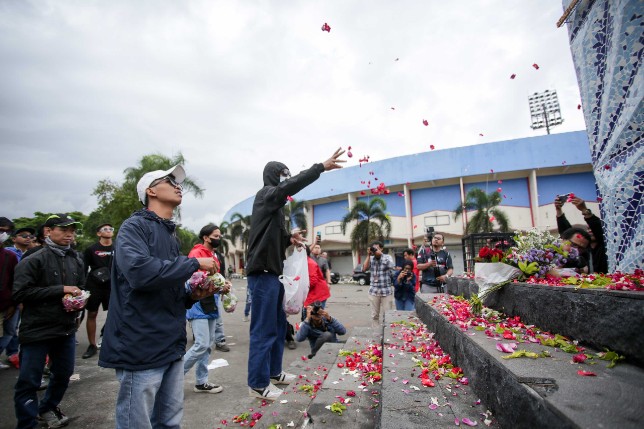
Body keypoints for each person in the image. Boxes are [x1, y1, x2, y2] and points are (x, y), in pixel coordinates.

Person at [98, 165, 217, 429]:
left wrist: (192, 296)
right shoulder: (134, 227)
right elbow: (140, 273)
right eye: (169, 180)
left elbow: (166, 284)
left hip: (170, 343)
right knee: (136, 423)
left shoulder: (169, 233)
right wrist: (193, 264)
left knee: (169, 421)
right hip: (140, 344)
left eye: (178, 182)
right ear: (150, 191)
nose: (178, 185)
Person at [245, 148, 345, 401]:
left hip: (275, 273)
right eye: (282, 175)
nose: (284, 180)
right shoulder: (266, 195)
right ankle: (257, 383)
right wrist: (319, 167)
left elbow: (275, 239)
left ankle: (275, 372)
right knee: (263, 330)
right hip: (263, 273)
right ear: (273, 176)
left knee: (279, 327)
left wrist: (290, 238)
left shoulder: (276, 210)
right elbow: (286, 187)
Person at [12, 213, 86, 429]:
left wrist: (79, 300)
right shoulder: (34, 258)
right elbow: (20, 293)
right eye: (64, 230)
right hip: (37, 329)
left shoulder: (76, 259)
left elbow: (79, 286)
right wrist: (60, 290)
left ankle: (47, 407)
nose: (69, 234)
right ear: (48, 231)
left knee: (63, 374)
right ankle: (26, 423)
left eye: (72, 230)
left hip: (65, 328)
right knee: (29, 381)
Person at [183, 223, 231, 394]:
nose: (219, 238)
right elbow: (195, 280)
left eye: (220, 236)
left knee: (208, 345)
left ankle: (201, 382)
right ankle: (173, 378)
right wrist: (218, 284)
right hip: (198, 303)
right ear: (206, 237)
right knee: (201, 344)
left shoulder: (213, 255)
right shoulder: (196, 254)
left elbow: (215, 278)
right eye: (216, 236)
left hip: (211, 301)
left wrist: (223, 284)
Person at [81, 223, 114, 359]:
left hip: (112, 285)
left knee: (114, 313)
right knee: (92, 313)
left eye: (111, 229)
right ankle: (92, 345)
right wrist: (82, 288)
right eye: (105, 229)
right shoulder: (91, 249)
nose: (109, 231)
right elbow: (83, 268)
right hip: (94, 285)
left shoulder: (118, 248)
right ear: (99, 233)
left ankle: (106, 337)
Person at [555, 195, 608, 273]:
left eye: (580, 247)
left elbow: (599, 229)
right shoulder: (547, 255)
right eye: (573, 245)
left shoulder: (605, 248)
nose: (575, 249)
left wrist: (584, 210)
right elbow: (567, 232)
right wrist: (558, 210)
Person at [0, 217, 19, 370]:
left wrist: (14, 303)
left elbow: (15, 282)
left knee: (9, 333)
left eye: (7, 231)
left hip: (7, 304)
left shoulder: (9, 256)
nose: (3, 234)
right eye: (1, 230)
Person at [363, 241, 395, 329]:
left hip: (386, 291)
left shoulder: (387, 257)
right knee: (374, 315)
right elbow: (364, 269)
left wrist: (381, 255)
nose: (375, 250)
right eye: (374, 248)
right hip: (374, 291)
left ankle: (387, 333)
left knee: (388, 315)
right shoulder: (371, 258)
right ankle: (375, 333)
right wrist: (369, 255)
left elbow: (392, 265)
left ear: (381, 248)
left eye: (377, 248)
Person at [301, 245, 330, 322]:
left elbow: (312, 281)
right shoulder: (304, 262)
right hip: (312, 293)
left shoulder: (309, 263)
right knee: (308, 316)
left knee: (316, 317)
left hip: (318, 293)